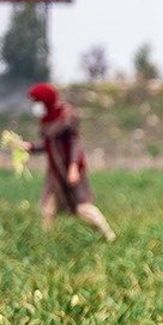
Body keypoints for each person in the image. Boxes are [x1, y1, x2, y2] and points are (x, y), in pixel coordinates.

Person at [25, 83, 116, 242]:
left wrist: (73, 167)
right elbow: (48, 146)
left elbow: (75, 143)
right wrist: (29, 147)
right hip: (55, 173)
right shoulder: (47, 120)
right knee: (48, 208)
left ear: (45, 100)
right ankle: (48, 243)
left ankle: (109, 235)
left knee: (83, 207)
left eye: (37, 102)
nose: (36, 106)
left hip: (70, 169)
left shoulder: (66, 116)